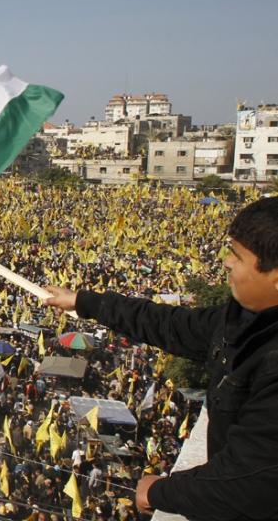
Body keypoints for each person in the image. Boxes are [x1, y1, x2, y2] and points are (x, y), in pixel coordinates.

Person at [44, 196, 278, 520]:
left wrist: (157, 492)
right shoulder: (243, 319)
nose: (226, 262)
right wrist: (84, 302)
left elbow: (244, 484)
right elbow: (170, 324)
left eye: (237, 255)